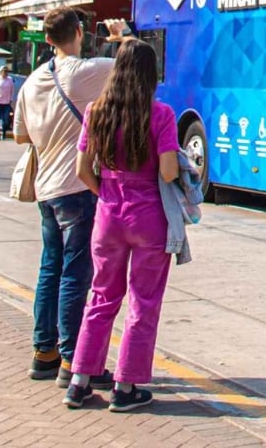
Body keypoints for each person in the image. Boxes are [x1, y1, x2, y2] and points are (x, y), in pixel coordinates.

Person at [64, 38, 179, 413]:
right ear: (150, 74)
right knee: (143, 303)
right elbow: (167, 170)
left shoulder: (97, 111)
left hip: (109, 213)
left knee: (100, 295)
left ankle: (80, 380)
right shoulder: (160, 115)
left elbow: (83, 170)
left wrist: (108, 192)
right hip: (149, 217)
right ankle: (125, 387)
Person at [13, 8, 116, 389]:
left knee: (49, 268)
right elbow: (133, 62)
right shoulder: (83, 71)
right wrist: (121, 34)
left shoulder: (31, 82)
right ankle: (74, 358)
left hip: (45, 189)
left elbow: (21, 136)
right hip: (76, 186)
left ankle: (44, 352)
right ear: (77, 31)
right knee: (76, 272)